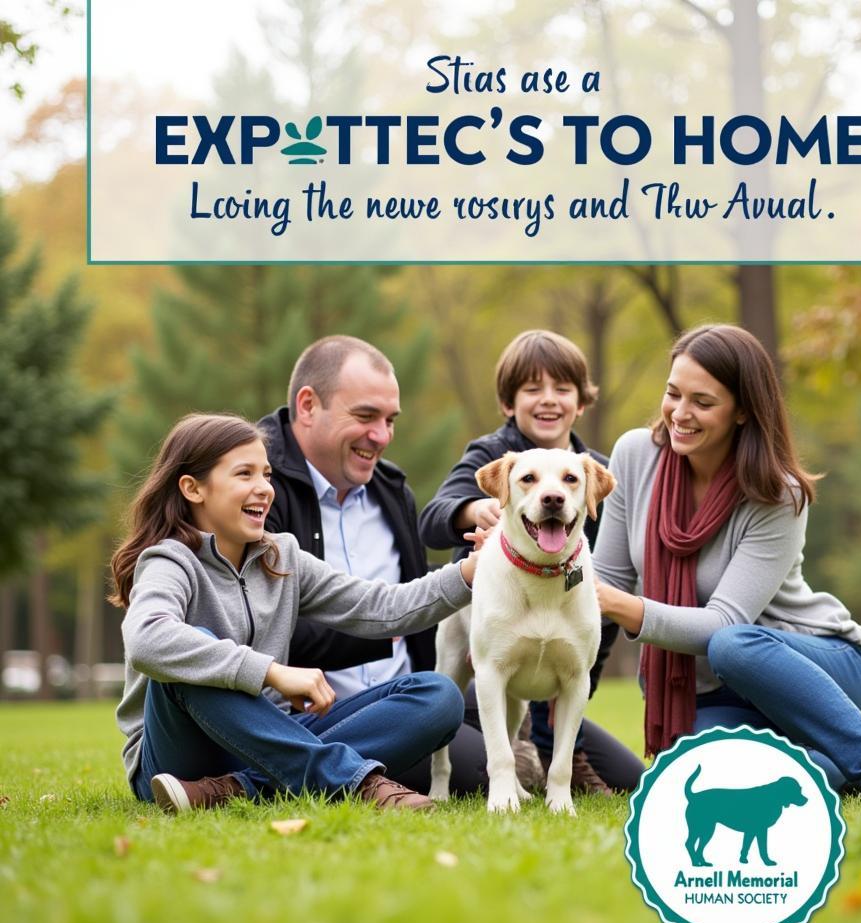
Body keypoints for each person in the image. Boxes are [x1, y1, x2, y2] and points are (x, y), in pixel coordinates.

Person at [593, 324, 861, 808]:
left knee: (732, 645)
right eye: (673, 393)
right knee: (692, 774)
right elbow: (602, 581)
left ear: (742, 412)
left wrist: (621, 605)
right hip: (709, 692)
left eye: (702, 401)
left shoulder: (777, 493)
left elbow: (722, 624)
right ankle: (828, 766)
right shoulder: (635, 455)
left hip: (809, 661)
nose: (680, 413)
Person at [111, 413, 480, 815]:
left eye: (266, 475)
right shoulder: (170, 560)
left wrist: (468, 572)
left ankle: (237, 789)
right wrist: (270, 671)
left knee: (438, 695)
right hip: (179, 758)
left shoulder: (281, 556)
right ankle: (357, 783)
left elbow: (382, 606)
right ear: (193, 488)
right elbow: (147, 639)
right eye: (244, 474)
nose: (263, 489)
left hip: (270, 742)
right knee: (193, 646)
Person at [259, 334, 527, 797]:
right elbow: (267, 631)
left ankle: (558, 748)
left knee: (492, 724)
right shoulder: (258, 489)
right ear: (307, 405)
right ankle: (306, 768)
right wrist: (391, 625)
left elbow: (422, 614)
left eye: (390, 420)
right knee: (476, 770)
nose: (381, 436)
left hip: (405, 695)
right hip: (313, 715)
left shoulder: (391, 490)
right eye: (365, 416)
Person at [420, 329, 645, 795]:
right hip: (496, 619)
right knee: (492, 762)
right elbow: (434, 516)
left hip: (563, 631)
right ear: (509, 402)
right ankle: (461, 767)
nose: (548, 400)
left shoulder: (593, 470)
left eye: (562, 389)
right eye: (532, 389)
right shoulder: (491, 455)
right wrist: (475, 508)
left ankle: (552, 750)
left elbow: (616, 586)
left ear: (581, 402)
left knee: (631, 780)